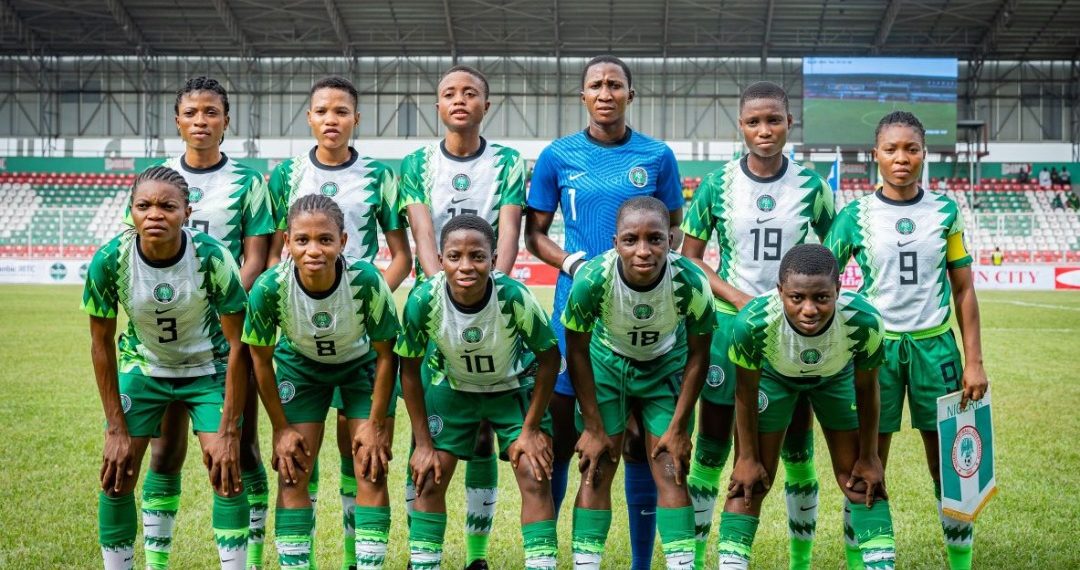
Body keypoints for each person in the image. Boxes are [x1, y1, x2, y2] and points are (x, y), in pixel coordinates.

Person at [524, 55, 684, 569]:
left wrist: (645, 280)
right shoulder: (557, 155)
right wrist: (572, 262)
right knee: (566, 436)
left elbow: (672, 229)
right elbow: (534, 234)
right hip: (575, 307)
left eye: (616, 84)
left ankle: (640, 563)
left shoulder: (657, 156)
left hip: (640, 314)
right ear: (583, 95)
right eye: (596, 85)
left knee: (638, 439)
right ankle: (549, 557)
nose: (606, 92)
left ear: (630, 95)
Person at [679, 81, 835, 569]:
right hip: (731, 327)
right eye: (753, 121)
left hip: (796, 332)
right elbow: (690, 258)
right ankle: (696, 557)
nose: (764, 130)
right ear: (741, 127)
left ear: (790, 123)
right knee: (711, 448)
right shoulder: (716, 184)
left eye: (773, 120)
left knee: (798, 448)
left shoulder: (813, 187)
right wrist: (740, 299)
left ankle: (800, 561)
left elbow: (836, 255)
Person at [826, 111, 988, 570]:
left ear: (924, 154)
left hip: (936, 349)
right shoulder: (854, 216)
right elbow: (823, 281)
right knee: (867, 463)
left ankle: (960, 562)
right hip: (875, 352)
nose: (902, 158)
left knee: (952, 468)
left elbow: (963, 289)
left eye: (911, 149)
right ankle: (862, 560)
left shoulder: (945, 211)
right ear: (875, 155)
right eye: (891, 149)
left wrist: (974, 361)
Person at [268, 75, 411, 569]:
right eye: (322, 111)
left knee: (365, 458)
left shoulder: (379, 176)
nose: (332, 119)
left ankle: (357, 561)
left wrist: (361, 305)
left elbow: (401, 256)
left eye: (342, 111)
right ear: (309, 118)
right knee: (296, 462)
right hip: (303, 338)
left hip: (362, 344)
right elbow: (275, 255)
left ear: (356, 119)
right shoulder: (286, 175)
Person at [134, 76, 276, 570]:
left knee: (243, 447)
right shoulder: (156, 178)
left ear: (226, 121)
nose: (201, 121)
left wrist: (219, 303)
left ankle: (250, 559)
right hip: (169, 334)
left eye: (211, 112)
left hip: (227, 332)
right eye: (191, 113)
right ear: (177, 121)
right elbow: (140, 248)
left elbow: (256, 257)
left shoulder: (249, 182)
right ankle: (156, 562)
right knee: (165, 452)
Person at [85, 166, 251, 570]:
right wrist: (115, 429)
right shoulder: (109, 260)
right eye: (144, 206)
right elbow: (101, 344)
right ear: (131, 211)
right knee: (118, 473)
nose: (155, 214)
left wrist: (230, 430)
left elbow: (238, 345)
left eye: (167, 206)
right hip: (144, 367)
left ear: (187, 212)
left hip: (208, 368)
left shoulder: (212, 256)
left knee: (225, 471)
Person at [398, 65, 527, 569]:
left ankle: (476, 556)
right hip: (437, 308)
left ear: (484, 105)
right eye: (449, 93)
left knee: (483, 433)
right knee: (429, 433)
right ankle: (423, 554)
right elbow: (422, 235)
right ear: (438, 105)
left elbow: (509, 234)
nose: (459, 99)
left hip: (490, 304)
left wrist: (490, 293)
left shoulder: (508, 162)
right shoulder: (416, 163)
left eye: (469, 92)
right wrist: (445, 293)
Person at [243, 195, 400, 569]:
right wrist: (280, 428)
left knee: (371, 468)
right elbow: (260, 361)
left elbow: (387, 355)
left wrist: (376, 424)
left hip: (361, 367)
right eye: (302, 240)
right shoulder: (270, 288)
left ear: (342, 241)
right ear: (287, 243)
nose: (313, 250)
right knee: (292, 472)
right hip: (302, 370)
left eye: (325, 239)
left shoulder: (366, 281)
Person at [716, 243, 895, 570]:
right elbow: (745, 391)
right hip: (775, 377)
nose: (809, 309)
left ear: (838, 289)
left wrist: (870, 456)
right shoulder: (752, 323)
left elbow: (868, 389)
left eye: (822, 297)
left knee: (860, 479)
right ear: (780, 291)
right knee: (749, 483)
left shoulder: (864, 321)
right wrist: (746, 457)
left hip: (834, 377)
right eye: (797, 298)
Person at [397, 214, 560, 569]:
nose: (466, 266)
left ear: (494, 259)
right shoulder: (423, 300)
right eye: (455, 257)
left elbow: (549, 359)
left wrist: (531, 429)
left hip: (512, 389)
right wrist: (422, 444)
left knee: (534, 473)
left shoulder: (514, 297)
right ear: (440, 260)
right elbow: (408, 370)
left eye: (477, 256)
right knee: (429, 476)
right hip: (453, 390)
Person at [564, 197, 715, 569]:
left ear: (671, 240)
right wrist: (594, 427)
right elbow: (577, 351)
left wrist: (678, 428)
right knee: (596, 468)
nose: (643, 250)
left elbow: (699, 355)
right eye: (631, 240)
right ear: (615, 242)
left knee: (671, 468)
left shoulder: (691, 281)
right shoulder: (593, 279)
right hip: (607, 366)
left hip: (664, 368)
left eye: (655, 239)